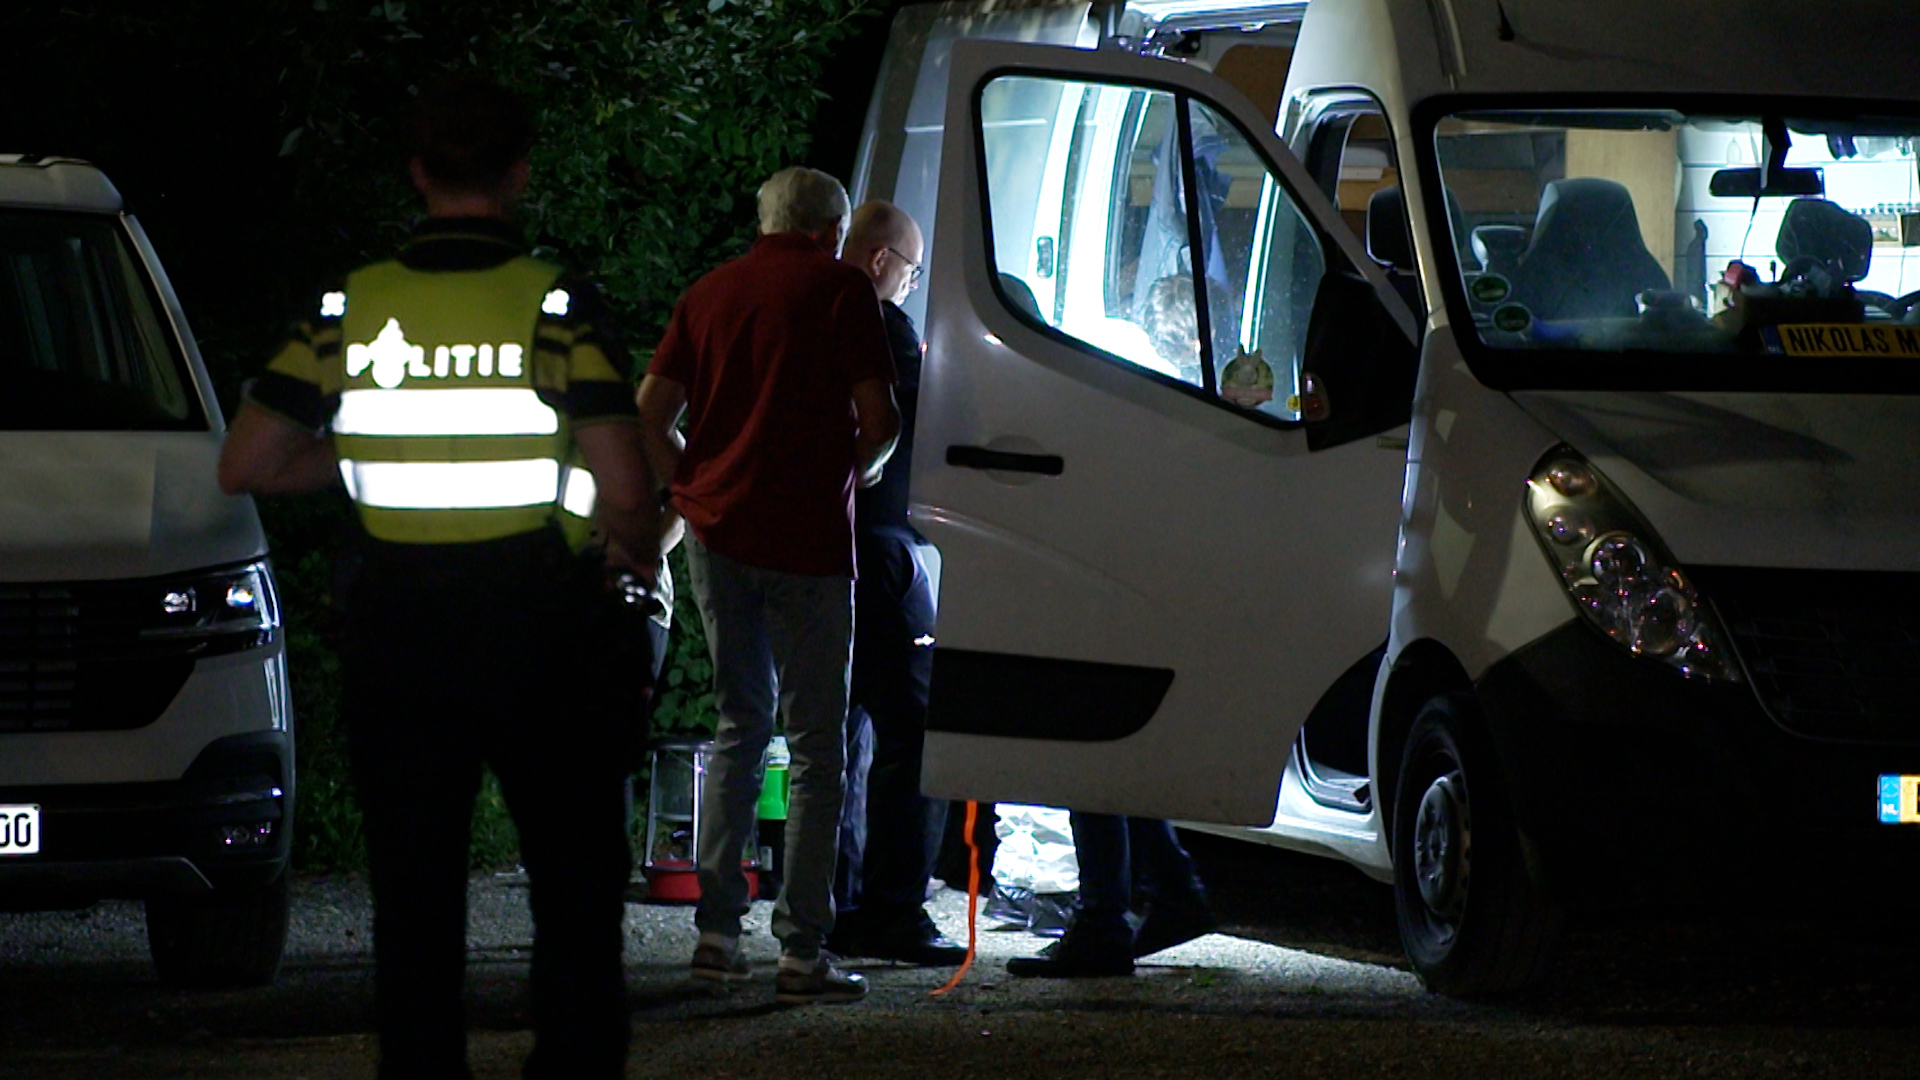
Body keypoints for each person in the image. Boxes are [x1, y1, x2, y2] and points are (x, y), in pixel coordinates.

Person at [217, 75, 658, 1079]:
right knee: (575, 890)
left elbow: (246, 464)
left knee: (414, 898)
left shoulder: (347, 306)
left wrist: (377, 452)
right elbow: (628, 487)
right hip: (544, 631)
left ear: (417, 174)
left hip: (398, 639)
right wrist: (628, 552)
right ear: (520, 173)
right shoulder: (555, 304)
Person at [637, 166, 900, 1005]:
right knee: (819, 747)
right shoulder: (843, 292)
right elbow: (881, 421)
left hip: (719, 538)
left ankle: (716, 936)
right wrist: (852, 473)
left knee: (738, 728)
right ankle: (801, 950)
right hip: (810, 545)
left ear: (764, 223)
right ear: (832, 231)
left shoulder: (708, 293)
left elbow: (650, 413)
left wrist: (694, 484)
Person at [821, 202, 966, 967]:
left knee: (836, 731)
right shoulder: (885, 328)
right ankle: (896, 909)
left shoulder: (807, 315)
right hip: (881, 547)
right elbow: (915, 423)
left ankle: (833, 902)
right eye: (911, 269)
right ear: (880, 261)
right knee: (917, 730)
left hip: (819, 552)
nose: (911, 283)